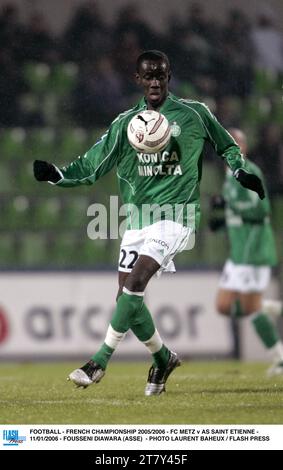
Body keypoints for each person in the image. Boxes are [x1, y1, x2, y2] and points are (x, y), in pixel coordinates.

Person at [33, 50, 265, 396]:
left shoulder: (194, 114)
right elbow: (92, 164)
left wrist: (240, 169)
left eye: (161, 75)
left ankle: (99, 360)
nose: (155, 81)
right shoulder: (126, 124)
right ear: (138, 80)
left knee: (138, 279)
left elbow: (225, 144)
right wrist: (58, 175)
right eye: (148, 76)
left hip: (178, 215)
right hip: (137, 220)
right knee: (126, 297)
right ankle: (162, 358)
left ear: (169, 77)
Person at [210, 128, 283, 376]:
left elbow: (261, 211)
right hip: (239, 252)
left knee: (247, 309)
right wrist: (222, 220)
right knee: (222, 306)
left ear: (245, 147)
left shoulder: (250, 172)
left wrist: (229, 205)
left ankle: (280, 357)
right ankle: (267, 308)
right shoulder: (230, 174)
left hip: (252, 250)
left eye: (238, 143)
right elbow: (238, 213)